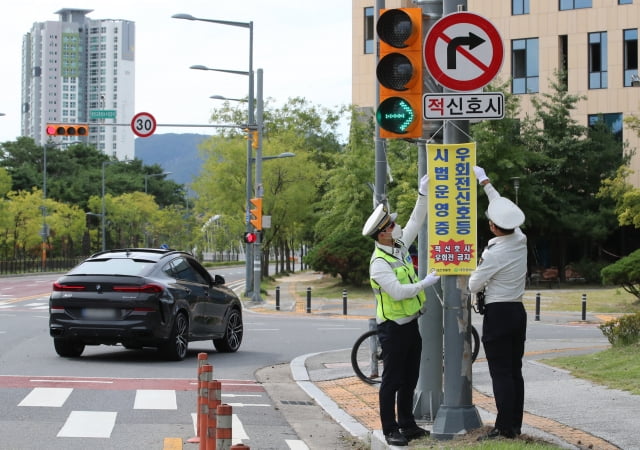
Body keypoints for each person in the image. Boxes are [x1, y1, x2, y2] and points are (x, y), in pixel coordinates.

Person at [362, 174, 440, 447]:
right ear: (383, 232)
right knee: (392, 381)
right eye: (392, 225)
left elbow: (417, 221)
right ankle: (390, 429)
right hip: (393, 328)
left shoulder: (398, 246)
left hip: (410, 324)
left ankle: (407, 424)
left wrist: (423, 194)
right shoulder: (379, 263)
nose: (397, 226)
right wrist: (425, 283)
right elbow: (397, 291)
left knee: (410, 377)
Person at [469, 165, 527, 440]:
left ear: (492, 227)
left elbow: (473, 285)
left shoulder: (493, 253)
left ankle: (503, 428)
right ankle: (514, 425)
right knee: (515, 371)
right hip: (517, 311)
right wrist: (485, 181)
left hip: (499, 313)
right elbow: (502, 208)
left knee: (501, 373)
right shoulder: (520, 239)